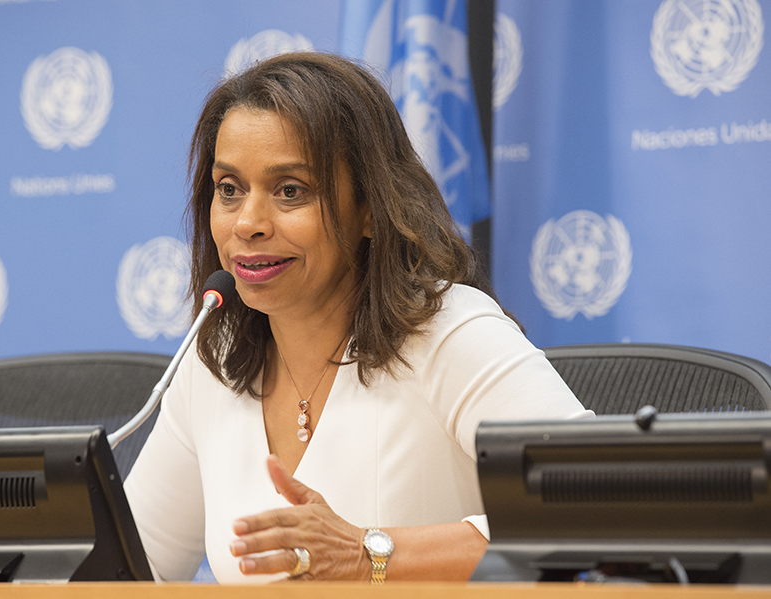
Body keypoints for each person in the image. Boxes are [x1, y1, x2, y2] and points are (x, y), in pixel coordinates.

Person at [124, 51, 591, 584]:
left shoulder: (448, 333)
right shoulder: (213, 362)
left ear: (370, 207)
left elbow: (595, 501)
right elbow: (131, 575)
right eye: (229, 190)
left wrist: (371, 554)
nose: (248, 222)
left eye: (290, 191)